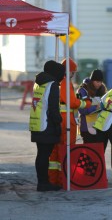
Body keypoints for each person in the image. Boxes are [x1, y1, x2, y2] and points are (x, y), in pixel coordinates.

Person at [48, 58, 98, 187]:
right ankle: (63, 180)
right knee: (66, 151)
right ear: (68, 71)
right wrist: (87, 103)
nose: (73, 75)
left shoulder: (58, 81)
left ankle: (54, 180)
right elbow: (72, 102)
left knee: (56, 153)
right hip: (66, 121)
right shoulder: (65, 82)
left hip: (59, 120)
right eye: (73, 72)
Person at [30, 60, 65, 192]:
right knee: (45, 155)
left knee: (41, 154)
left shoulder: (39, 83)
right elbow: (53, 107)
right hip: (46, 124)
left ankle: (42, 182)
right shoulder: (52, 84)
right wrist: (58, 122)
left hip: (37, 122)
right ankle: (44, 183)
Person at [77, 69, 107, 149]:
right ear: (92, 80)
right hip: (86, 128)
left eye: (100, 82)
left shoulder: (102, 91)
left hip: (99, 127)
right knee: (88, 152)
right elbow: (81, 109)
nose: (99, 84)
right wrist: (95, 108)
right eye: (97, 81)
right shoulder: (83, 91)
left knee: (97, 154)